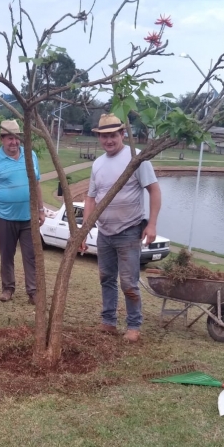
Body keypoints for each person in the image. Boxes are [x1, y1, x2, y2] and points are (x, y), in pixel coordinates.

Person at [82, 114, 161, 343]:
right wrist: (84, 231)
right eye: (104, 136)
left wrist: (152, 224)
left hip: (129, 230)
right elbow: (90, 199)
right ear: (99, 137)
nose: (108, 140)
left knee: (128, 282)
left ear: (122, 134)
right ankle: (108, 321)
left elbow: (154, 191)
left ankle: (134, 325)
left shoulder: (137, 159)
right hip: (104, 232)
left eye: (113, 135)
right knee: (106, 278)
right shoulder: (97, 164)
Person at [0, 119, 45, 304]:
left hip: (28, 217)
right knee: (7, 254)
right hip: (4, 217)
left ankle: (33, 292)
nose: (14, 142)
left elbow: (37, 183)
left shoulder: (30, 155)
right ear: (2, 139)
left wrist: (41, 210)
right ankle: (8, 288)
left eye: (17, 138)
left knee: (30, 255)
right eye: (9, 138)